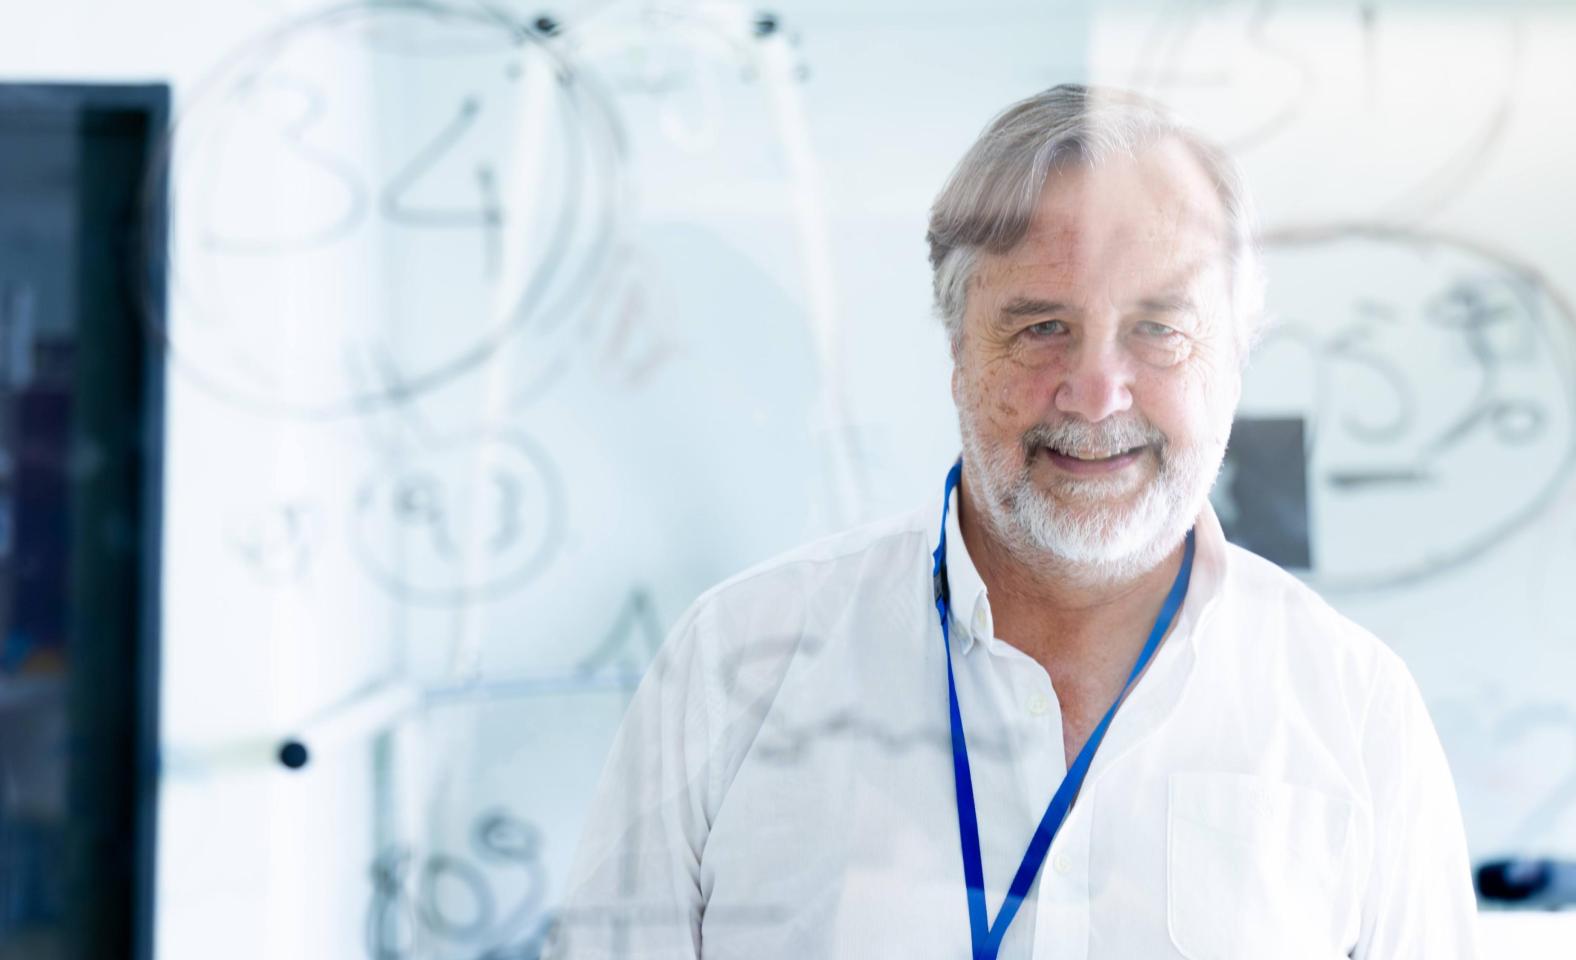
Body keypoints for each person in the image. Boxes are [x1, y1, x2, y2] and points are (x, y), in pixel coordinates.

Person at [550, 84, 1479, 959]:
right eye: (1041, 326)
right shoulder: (733, 668)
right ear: (958, 349)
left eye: (1160, 327)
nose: (1096, 391)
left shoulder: (1355, 711)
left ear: (1236, 354)